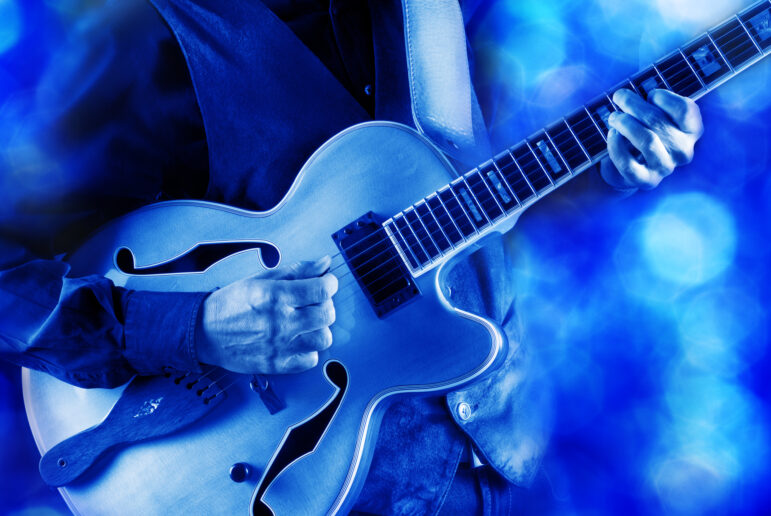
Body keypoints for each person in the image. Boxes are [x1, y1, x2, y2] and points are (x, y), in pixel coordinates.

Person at [0, 0, 702, 513]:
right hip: (296, 479)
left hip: (499, 464)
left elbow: (475, 206)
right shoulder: (129, 32)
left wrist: (608, 174)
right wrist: (196, 327)